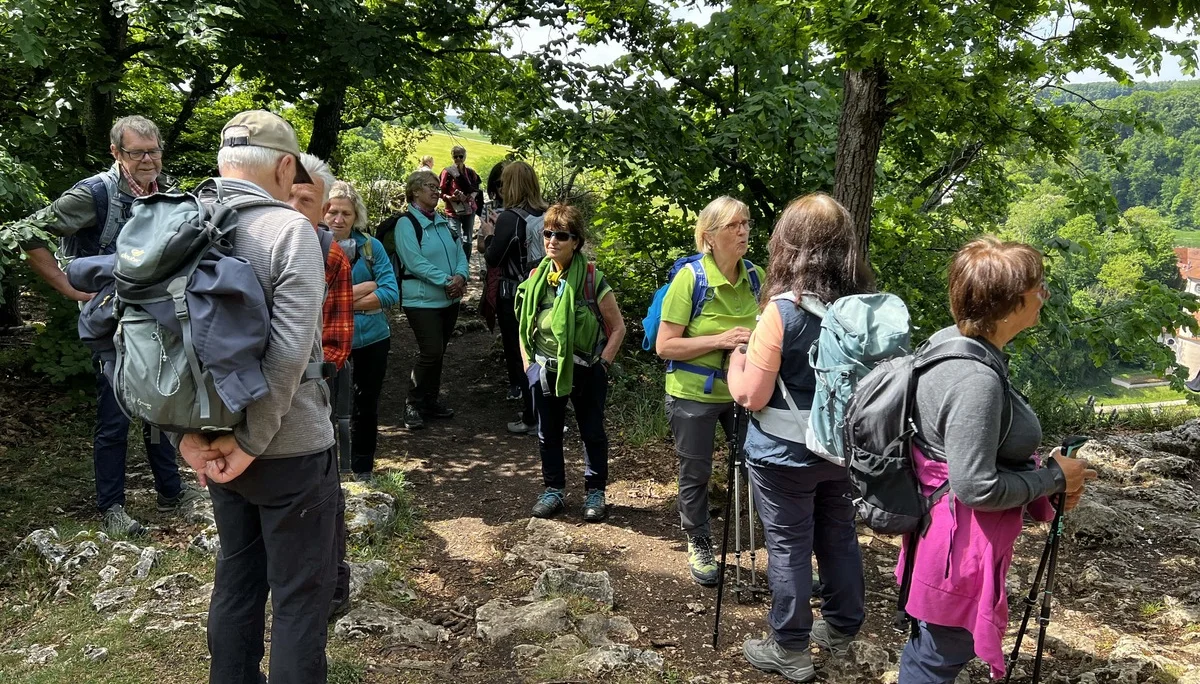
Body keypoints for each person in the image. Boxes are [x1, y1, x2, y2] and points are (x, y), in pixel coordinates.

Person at [177, 109, 337, 684]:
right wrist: (250, 441)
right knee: (298, 597)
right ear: (287, 166)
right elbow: (292, 353)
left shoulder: (178, 223)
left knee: (237, 579)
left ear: (224, 162)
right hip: (287, 446)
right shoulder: (290, 231)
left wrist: (190, 439)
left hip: (210, 442)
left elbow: (156, 347)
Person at [893, 237, 1097, 684]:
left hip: (939, 535)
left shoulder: (950, 343)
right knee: (938, 655)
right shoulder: (976, 380)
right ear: (1012, 302)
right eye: (1038, 287)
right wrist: (1052, 480)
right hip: (958, 549)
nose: (1044, 294)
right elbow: (975, 486)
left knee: (933, 649)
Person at [16, 114, 201, 536]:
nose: (149, 160)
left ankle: (171, 493)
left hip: (156, 318)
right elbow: (29, 231)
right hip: (108, 322)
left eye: (154, 150)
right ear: (116, 153)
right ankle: (113, 507)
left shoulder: (167, 191)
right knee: (115, 411)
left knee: (161, 400)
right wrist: (67, 286)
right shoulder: (94, 194)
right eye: (138, 153)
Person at [726, 193, 872, 683]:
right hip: (843, 448)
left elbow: (751, 396)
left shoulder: (781, 313)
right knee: (838, 533)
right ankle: (843, 627)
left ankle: (789, 648)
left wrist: (735, 361)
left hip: (783, 454)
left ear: (787, 246)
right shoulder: (863, 311)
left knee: (788, 544)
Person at [655, 197, 761, 587]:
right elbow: (665, 346)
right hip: (692, 394)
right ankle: (698, 540)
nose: (743, 231)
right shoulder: (690, 279)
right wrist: (722, 339)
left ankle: (785, 546)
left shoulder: (756, 277)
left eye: (746, 223)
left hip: (745, 394)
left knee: (761, 466)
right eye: (734, 225)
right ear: (709, 236)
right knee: (696, 470)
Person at [517, 204, 626, 522]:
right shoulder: (537, 277)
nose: (551, 240)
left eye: (560, 235)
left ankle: (595, 492)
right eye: (547, 233)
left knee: (592, 431)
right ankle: (553, 490)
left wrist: (603, 365)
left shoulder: (591, 279)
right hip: (544, 369)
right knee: (547, 433)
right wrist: (529, 367)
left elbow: (618, 328)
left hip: (587, 368)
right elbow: (524, 325)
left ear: (575, 241)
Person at [287, 154, 356, 623]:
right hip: (242, 410)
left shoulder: (330, 253)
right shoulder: (241, 241)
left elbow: (337, 337)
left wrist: (315, 378)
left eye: (308, 198)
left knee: (324, 494)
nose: (296, 205)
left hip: (306, 404)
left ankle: (333, 586)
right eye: (290, 194)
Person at [325, 180, 399, 479]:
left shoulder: (371, 246)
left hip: (372, 338)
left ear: (357, 217)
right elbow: (311, 298)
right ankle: (326, 470)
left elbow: (391, 293)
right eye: (332, 212)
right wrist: (366, 290)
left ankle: (362, 469)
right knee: (324, 406)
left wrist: (337, 300)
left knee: (365, 405)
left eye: (346, 213)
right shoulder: (309, 244)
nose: (339, 219)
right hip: (328, 338)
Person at [396, 170, 470, 431]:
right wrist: (448, 281)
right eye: (429, 186)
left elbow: (460, 251)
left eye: (436, 186)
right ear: (414, 191)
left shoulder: (441, 220)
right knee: (431, 351)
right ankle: (412, 404)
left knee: (439, 352)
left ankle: (429, 401)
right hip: (421, 301)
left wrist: (461, 275)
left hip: (449, 301)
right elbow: (414, 263)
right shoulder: (407, 224)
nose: (436, 190)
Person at [479, 161, 549, 433]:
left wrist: (488, 236)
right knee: (542, 351)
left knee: (521, 353)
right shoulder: (547, 213)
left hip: (516, 296)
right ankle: (546, 412)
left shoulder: (509, 217)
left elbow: (493, 257)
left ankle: (531, 417)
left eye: (504, 182)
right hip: (545, 291)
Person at [439, 145, 482, 261]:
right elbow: (441, 192)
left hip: (469, 209)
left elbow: (476, 190)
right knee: (455, 237)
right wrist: (450, 197)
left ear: (465, 157)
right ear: (452, 157)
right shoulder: (447, 172)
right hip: (453, 210)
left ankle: (465, 263)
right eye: (455, 156)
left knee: (467, 239)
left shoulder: (471, 173)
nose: (458, 159)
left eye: (461, 156)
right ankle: (457, 262)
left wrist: (470, 197)